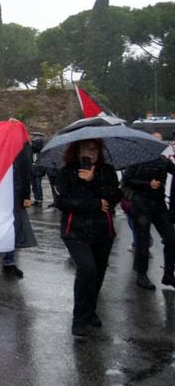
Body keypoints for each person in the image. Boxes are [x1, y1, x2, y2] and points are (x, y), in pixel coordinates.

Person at [55, 138, 122, 337]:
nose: (90, 153)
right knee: (87, 269)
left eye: (94, 149)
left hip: (103, 231)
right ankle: (79, 318)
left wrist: (93, 182)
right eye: (85, 149)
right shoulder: (67, 172)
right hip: (75, 231)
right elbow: (62, 202)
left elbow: (115, 195)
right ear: (76, 151)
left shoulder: (107, 171)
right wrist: (93, 204)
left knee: (98, 273)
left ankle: (90, 311)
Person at [122, 132, 175, 290]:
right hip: (141, 204)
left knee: (171, 239)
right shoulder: (136, 159)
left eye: (160, 141)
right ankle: (141, 274)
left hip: (158, 205)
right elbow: (126, 181)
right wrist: (147, 184)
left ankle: (169, 275)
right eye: (154, 141)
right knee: (143, 241)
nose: (157, 144)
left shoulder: (163, 160)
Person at [0, 137, 37, 279]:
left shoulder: (21, 148)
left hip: (15, 195)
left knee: (12, 230)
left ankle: (9, 262)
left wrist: (26, 195)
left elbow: (26, 172)